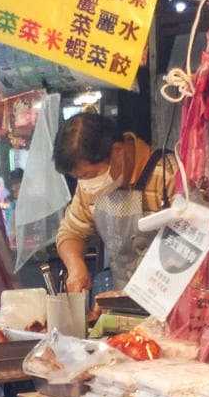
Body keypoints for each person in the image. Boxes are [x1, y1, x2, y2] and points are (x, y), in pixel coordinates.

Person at [53, 111, 177, 292]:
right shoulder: (89, 186)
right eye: (79, 177)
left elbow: (190, 247)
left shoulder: (167, 175)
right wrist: (76, 267)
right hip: (121, 297)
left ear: (117, 151)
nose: (86, 184)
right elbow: (71, 232)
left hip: (167, 295)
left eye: (89, 175)